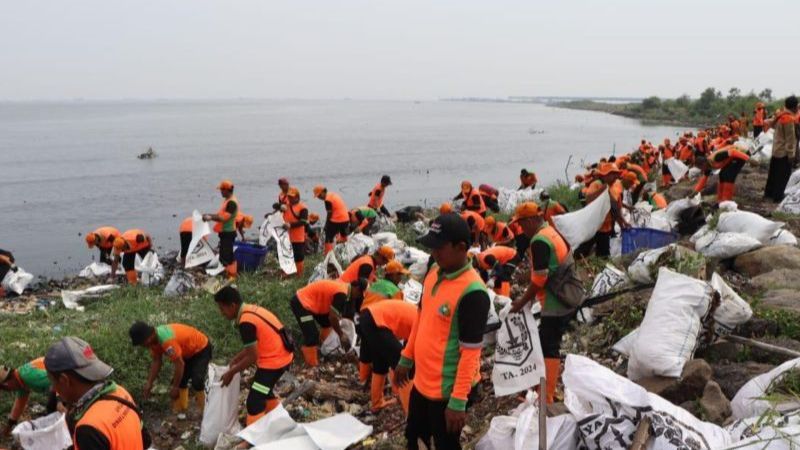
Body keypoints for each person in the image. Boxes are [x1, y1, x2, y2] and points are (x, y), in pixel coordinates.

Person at [395, 213, 490, 450]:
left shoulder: (473, 292)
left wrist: (458, 402)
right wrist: (407, 357)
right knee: (415, 438)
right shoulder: (434, 272)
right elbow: (421, 316)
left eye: (439, 247)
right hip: (422, 382)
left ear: (461, 248)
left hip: (447, 390)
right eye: (431, 247)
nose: (433, 253)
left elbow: (470, 353)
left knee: (446, 444)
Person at [509, 202, 574, 404]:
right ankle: (542, 387)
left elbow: (539, 279)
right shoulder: (550, 231)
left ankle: (546, 396)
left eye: (520, 224)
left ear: (529, 220)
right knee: (545, 342)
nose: (520, 229)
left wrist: (521, 302)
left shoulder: (539, 240)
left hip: (556, 301)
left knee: (549, 346)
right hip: (564, 293)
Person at [44, 336, 147, 450]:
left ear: (64, 380)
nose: (53, 389)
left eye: (53, 382)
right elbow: (146, 440)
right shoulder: (119, 392)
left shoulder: (88, 429)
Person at [214, 286, 294, 425]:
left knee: (254, 401)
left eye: (222, 309)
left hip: (275, 362)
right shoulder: (250, 310)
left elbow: (252, 356)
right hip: (282, 355)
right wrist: (236, 359)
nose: (221, 313)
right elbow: (253, 347)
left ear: (232, 306)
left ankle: (254, 438)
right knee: (263, 389)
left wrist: (231, 372)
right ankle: (279, 421)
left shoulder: (246, 322)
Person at [128, 321, 212, 413]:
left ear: (149, 336)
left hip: (201, 348)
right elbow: (157, 361)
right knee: (181, 381)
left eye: (142, 343)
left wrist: (175, 387)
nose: (142, 346)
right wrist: (149, 383)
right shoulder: (153, 342)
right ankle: (182, 409)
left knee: (197, 381)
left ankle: (206, 411)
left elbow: (180, 364)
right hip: (186, 352)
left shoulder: (167, 341)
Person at [290, 279, 366, 367]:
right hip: (301, 302)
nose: (358, 297)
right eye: (359, 294)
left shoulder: (345, 289)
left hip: (313, 303)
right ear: (356, 288)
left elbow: (334, 317)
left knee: (327, 324)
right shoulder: (342, 293)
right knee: (312, 335)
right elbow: (332, 317)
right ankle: (311, 365)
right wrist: (341, 335)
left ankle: (325, 348)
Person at [359, 301, 418, 414]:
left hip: (368, 317)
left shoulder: (420, 316)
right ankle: (411, 412)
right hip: (377, 321)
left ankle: (377, 404)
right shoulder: (425, 324)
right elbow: (411, 356)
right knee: (406, 367)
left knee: (380, 363)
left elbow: (409, 346)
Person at [576, 163, 629, 258]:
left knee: (603, 255)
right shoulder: (596, 184)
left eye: (616, 175)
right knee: (582, 251)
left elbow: (616, 209)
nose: (615, 177)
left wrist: (623, 224)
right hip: (594, 227)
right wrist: (603, 190)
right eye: (613, 175)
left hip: (605, 228)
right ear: (606, 175)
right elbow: (588, 199)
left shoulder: (613, 188)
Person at [0, 358, 56, 436]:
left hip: (67, 373)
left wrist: (60, 401)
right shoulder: (21, 380)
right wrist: (8, 427)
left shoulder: (30, 377)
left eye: (4, 388)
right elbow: (19, 406)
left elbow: (57, 379)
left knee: (53, 407)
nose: (8, 390)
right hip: (60, 378)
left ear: (7, 383)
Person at [764, 96, 799, 202]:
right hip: (783, 152)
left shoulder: (780, 116)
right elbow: (790, 139)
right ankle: (778, 197)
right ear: (794, 107)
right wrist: (791, 155)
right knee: (782, 175)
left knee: (773, 174)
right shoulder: (788, 119)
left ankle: (768, 194)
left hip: (776, 150)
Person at [203, 180, 239, 279]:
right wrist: (209, 215)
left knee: (226, 256)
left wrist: (210, 218)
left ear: (227, 190)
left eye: (222, 190)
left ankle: (230, 276)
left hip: (229, 232)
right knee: (227, 255)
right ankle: (231, 275)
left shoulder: (232, 203)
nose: (220, 192)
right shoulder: (227, 200)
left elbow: (223, 218)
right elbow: (220, 215)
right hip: (225, 232)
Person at [314, 185, 350, 255]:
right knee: (344, 236)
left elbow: (329, 214)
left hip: (337, 219)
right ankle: (344, 253)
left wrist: (326, 225)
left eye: (319, 195)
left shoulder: (327, 200)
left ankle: (328, 255)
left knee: (328, 237)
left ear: (324, 192)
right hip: (346, 219)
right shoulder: (332, 195)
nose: (319, 198)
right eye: (318, 196)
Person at [283, 187, 309, 276]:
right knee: (286, 255)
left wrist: (291, 225)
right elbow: (275, 206)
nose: (290, 199)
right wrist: (279, 207)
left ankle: (299, 274)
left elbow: (303, 221)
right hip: (286, 236)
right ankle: (287, 272)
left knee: (299, 256)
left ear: (297, 197)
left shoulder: (302, 208)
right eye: (289, 197)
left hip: (298, 237)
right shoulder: (286, 206)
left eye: (292, 197)